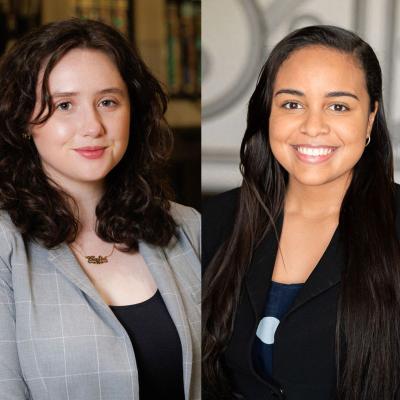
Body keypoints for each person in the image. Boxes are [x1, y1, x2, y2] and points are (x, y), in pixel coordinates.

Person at [0, 18, 200, 400]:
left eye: (107, 101)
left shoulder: (188, 228)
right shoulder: (6, 247)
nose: (92, 125)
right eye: (64, 105)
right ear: (25, 120)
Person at [202, 25, 400, 400]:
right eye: (292, 104)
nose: (312, 127)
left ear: (371, 118)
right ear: (268, 113)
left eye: (338, 106)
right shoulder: (216, 220)